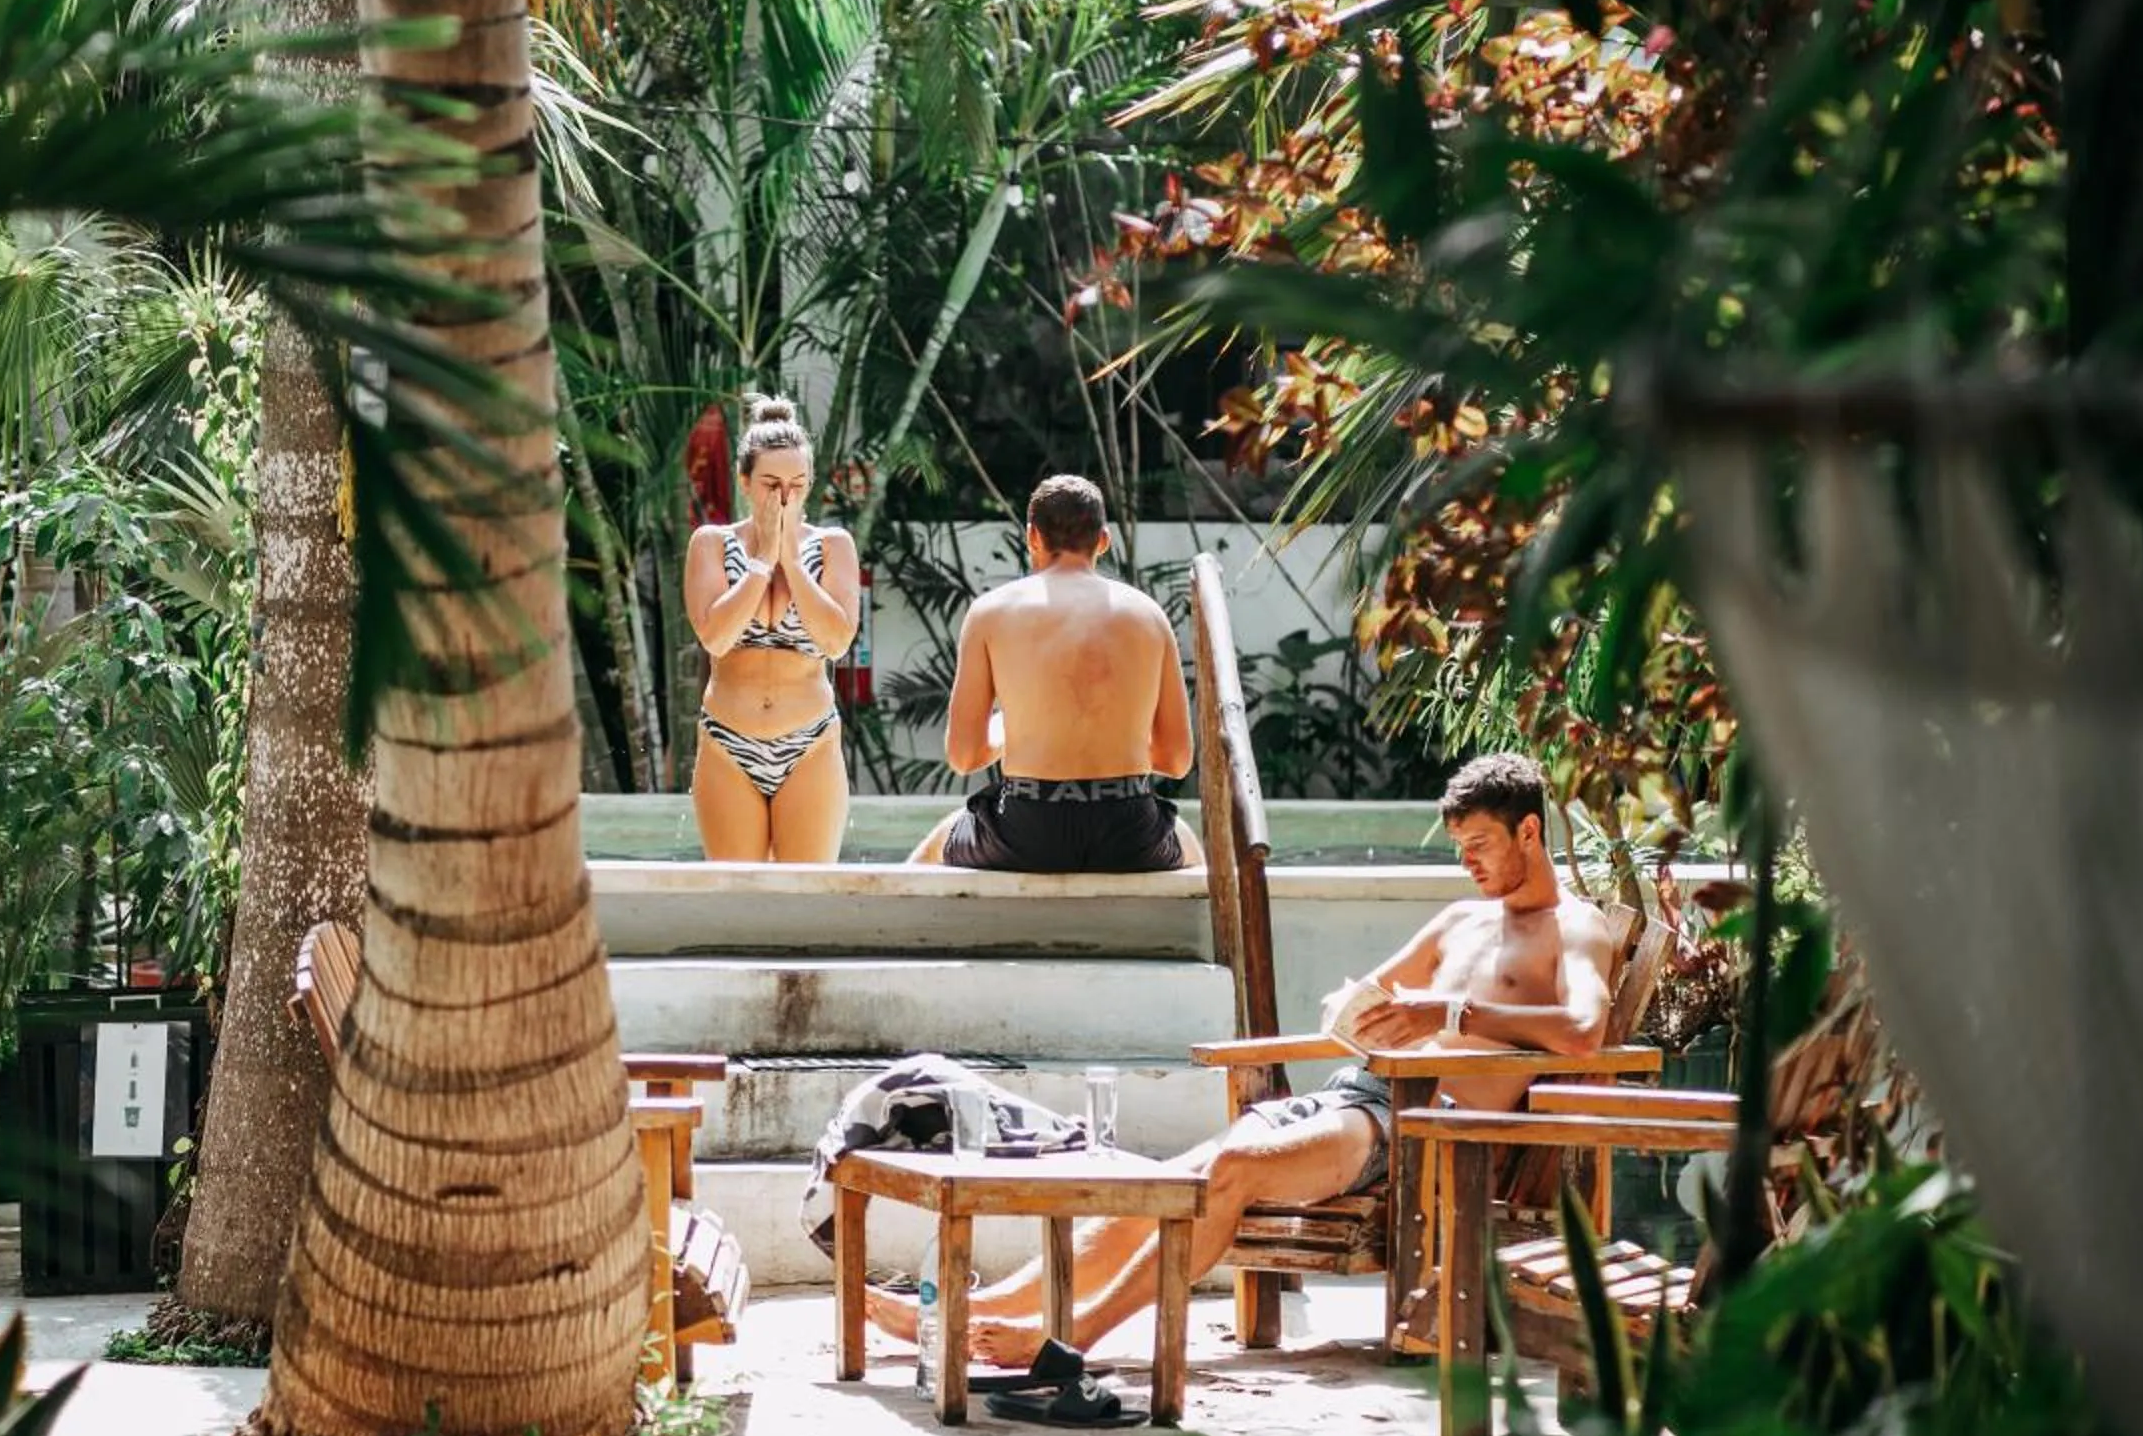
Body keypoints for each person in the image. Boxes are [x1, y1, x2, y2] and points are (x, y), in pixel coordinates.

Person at [868, 752, 1619, 1366]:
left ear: (1528, 832)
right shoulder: (1460, 919)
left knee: (1232, 1172)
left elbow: (1585, 1030)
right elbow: (1374, 993)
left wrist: (1447, 1013)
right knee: (1172, 1182)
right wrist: (1352, 1011)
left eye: (1480, 847)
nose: (1468, 865)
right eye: (1459, 850)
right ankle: (979, 1311)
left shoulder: (1572, 928)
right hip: (1359, 1095)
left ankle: (1069, 1340)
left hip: (1425, 1128)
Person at [904, 473, 1196, 872]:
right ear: (1104, 540)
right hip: (1129, 829)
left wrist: (1017, 726)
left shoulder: (991, 611)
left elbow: (964, 755)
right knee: (1192, 847)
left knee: (936, 844)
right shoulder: (1147, 615)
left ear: (1031, 537)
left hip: (1026, 828)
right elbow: (1176, 759)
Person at [683, 395, 863, 861]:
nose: (784, 497)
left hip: (809, 741)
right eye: (771, 484)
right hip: (729, 740)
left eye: (797, 485)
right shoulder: (712, 543)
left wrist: (789, 560)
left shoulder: (831, 546)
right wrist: (762, 560)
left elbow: (835, 641)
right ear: (745, 482)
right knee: (736, 895)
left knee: (808, 895)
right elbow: (716, 637)